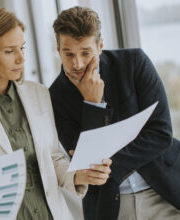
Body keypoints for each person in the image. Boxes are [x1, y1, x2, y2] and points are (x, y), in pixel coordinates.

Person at [0, 8, 112, 220]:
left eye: (22, 48)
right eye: (10, 51)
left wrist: (79, 175)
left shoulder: (38, 93)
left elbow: (54, 158)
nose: (21, 59)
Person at [49, 6, 180, 220]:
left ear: (100, 46)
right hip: (111, 206)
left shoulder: (135, 63)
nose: (77, 63)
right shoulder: (55, 96)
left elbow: (161, 133)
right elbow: (86, 163)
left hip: (165, 191)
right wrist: (92, 104)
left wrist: (107, 162)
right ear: (58, 49)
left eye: (85, 52)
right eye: (68, 54)